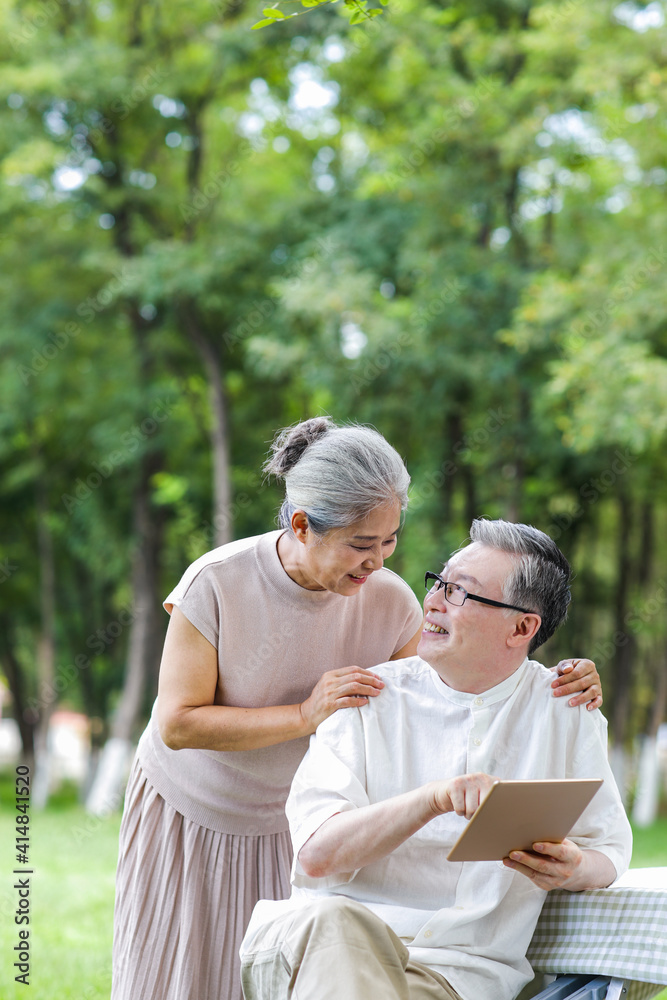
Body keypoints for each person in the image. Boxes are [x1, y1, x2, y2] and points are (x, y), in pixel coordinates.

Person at [111, 420, 601, 1000]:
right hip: (194, 809)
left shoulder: (389, 600)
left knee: (271, 978)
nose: (378, 561)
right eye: (361, 545)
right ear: (301, 525)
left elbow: (453, 676)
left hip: (296, 822)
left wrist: (557, 674)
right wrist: (304, 713)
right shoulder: (217, 582)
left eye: (390, 540)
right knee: (175, 979)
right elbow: (177, 723)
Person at [240, 518, 631, 1000]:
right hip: (326, 950)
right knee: (332, 920)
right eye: (439, 583)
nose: (433, 602)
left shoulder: (565, 712)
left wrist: (571, 868)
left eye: (460, 593)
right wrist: (432, 800)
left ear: (522, 627)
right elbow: (317, 855)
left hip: (455, 978)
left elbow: (610, 851)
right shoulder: (367, 700)